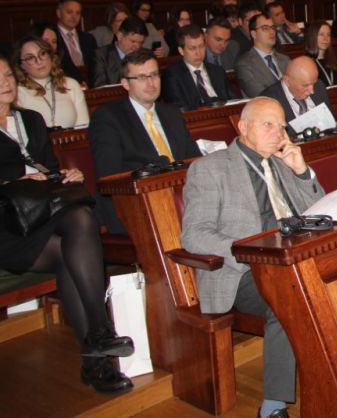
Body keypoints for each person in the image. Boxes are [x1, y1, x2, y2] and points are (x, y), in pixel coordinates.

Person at [0, 55, 135, 395]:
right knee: (72, 243)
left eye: (7, 75)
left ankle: (97, 350)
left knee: (79, 219)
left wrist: (63, 174)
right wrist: (13, 181)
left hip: (40, 215)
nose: (5, 82)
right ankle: (98, 345)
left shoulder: (30, 120)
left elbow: (47, 167)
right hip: (6, 228)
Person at [182, 97, 323, 418]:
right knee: (289, 301)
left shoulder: (282, 162)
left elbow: (318, 213)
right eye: (268, 124)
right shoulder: (210, 169)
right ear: (243, 127)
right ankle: (273, 407)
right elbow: (195, 235)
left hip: (294, 261)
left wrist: (301, 172)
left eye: (282, 126)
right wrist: (250, 254)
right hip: (243, 271)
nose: (279, 133)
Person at [89, 49, 201, 233]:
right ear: (125, 83)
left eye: (154, 75)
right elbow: (109, 176)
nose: (150, 83)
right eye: (141, 77)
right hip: (137, 202)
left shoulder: (171, 113)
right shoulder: (109, 117)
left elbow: (193, 159)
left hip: (184, 195)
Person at [14, 36, 89, 128]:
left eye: (42, 53)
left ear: (50, 56)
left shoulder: (71, 85)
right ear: (21, 65)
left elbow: (83, 127)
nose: (39, 61)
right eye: (30, 58)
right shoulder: (17, 93)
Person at [162, 26, 232, 109]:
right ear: (181, 51)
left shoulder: (217, 71)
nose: (198, 53)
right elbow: (178, 107)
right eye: (192, 48)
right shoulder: (173, 75)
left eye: (201, 46)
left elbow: (231, 99)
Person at [260, 56, 334, 130]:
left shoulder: (319, 86)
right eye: (305, 85)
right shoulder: (269, 100)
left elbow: (332, 121)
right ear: (287, 81)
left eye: (314, 83)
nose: (312, 91)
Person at [235, 15, 291, 98]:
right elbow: (259, 95)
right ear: (254, 34)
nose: (272, 32)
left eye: (273, 27)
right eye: (265, 28)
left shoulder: (286, 59)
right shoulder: (244, 64)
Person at [91, 16, 149, 87]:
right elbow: (100, 87)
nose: (137, 46)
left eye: (141, 42)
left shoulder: (146, 55)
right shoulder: (101, 56)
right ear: (120, 36)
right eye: (132, 41)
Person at [54, 0, 98, 86]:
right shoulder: (52, 37)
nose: (74, 17)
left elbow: (95, 66)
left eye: (77, 13)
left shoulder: (88, 38)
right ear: (59, 13)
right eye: (69, 12)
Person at [304, 22, 337, 86]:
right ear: (312, 37)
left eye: (328, 35)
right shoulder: (305, 63)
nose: (325, 39)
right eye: (321, 34)